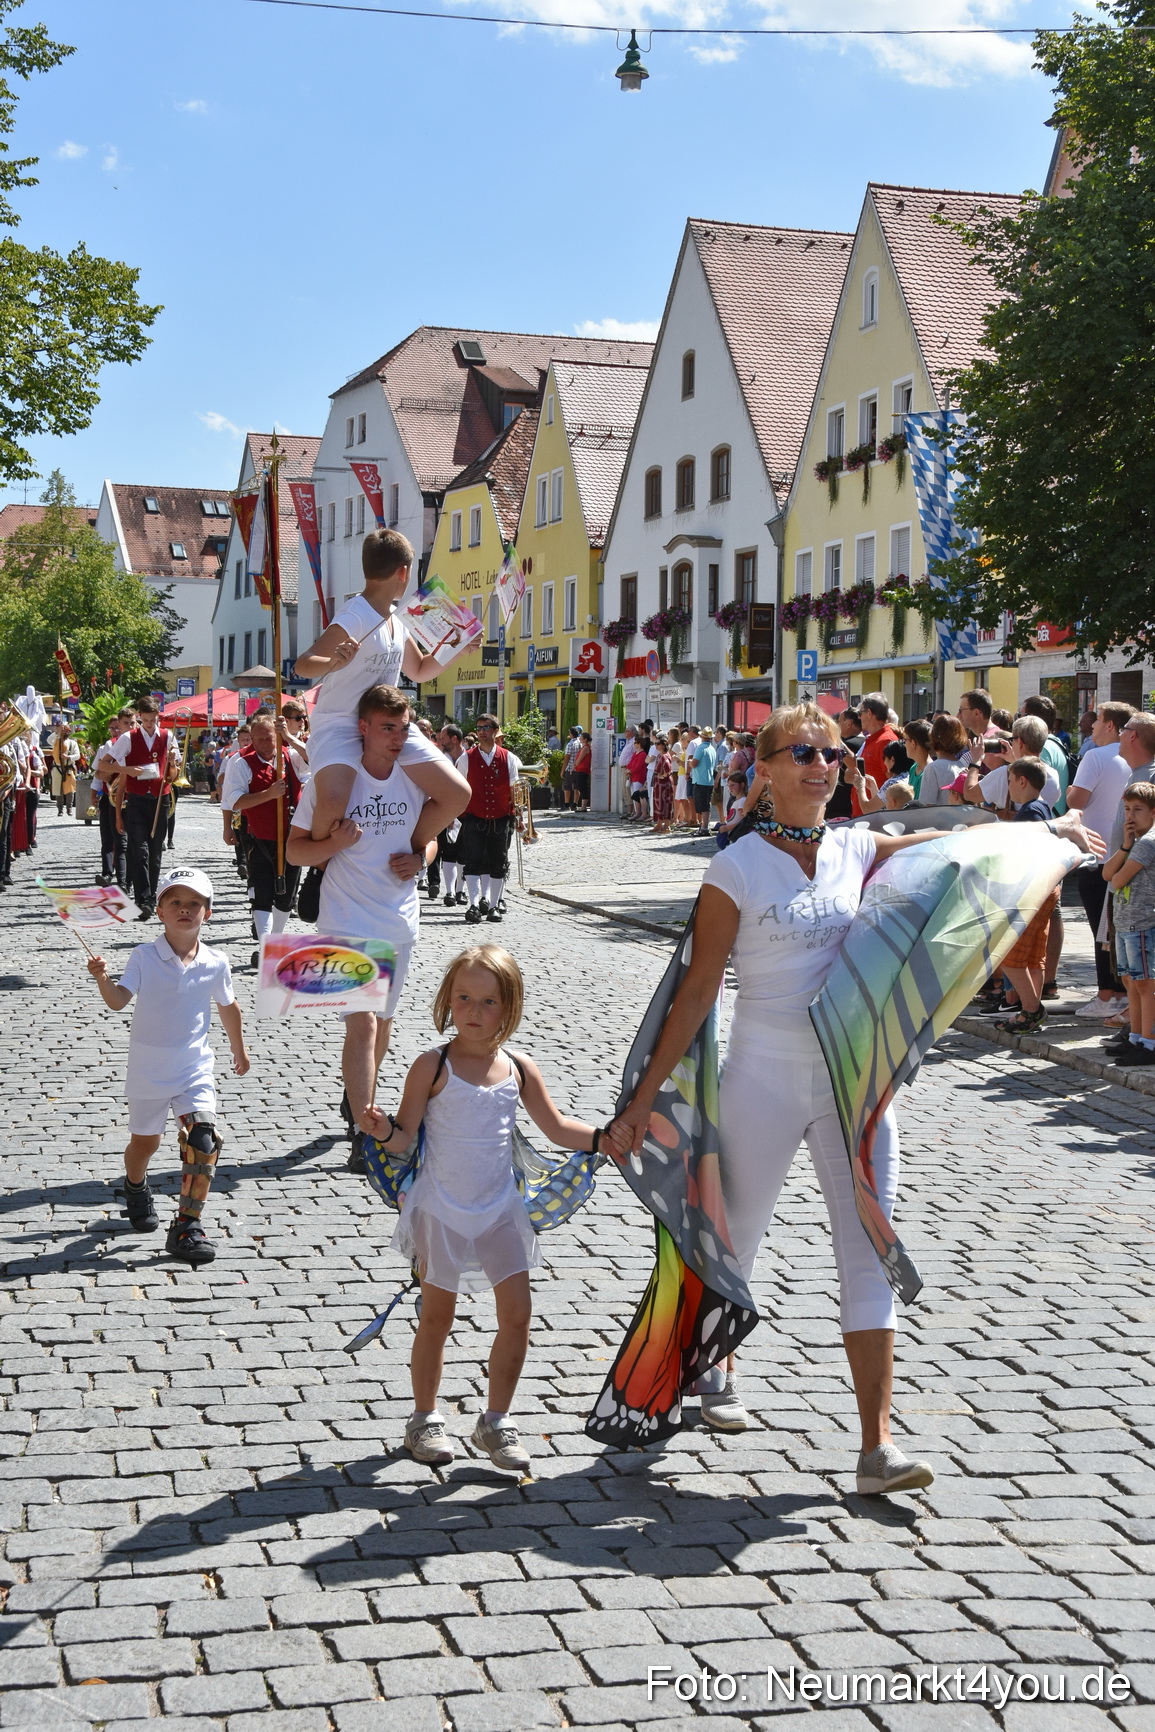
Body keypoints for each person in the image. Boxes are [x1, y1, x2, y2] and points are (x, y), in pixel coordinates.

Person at [609, 701, 1102, 1489]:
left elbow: (951, 844)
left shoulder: (855, 847)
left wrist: (1048, 833)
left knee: (868, 1250)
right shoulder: (734, 867)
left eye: (831, 753)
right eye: (799, 752)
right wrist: (639, 1105)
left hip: (854, 1087)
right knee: (731, 1238)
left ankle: (876, 1448)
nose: (818, 764)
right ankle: (713, 1368)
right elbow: (697, 992)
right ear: (763, 769)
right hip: (759, 1079)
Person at [368, 945, 614, 1470]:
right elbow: (404, 1139)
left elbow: (555, 1127)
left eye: (488, 1001)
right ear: (447, 1002)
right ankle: (424, 1418)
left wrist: (604, 1138)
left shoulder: (519, 1069)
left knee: (518, 1316)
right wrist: (381, 1128)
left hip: (501, 1209)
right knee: (437, 1317)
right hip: (442, 1210)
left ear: (510, 1007)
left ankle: (495, 1421)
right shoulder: (431, 1067)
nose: (474, 1011)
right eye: (463, 999)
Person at [288, 683, 432, 1153]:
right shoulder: (332, 781)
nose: (396, 738)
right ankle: (363, 1130)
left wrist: (422, 858)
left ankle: (356, 1099)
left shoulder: (415, 777)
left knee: (383, 1025)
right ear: (363, 728)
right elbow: (293, 851)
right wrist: (334, 845)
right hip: (347, 914)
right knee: (363, 1023)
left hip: (399, 916)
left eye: (403, 728)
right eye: (387, 728)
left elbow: (432, 836)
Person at [84, 867, 249, 1266]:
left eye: (194, 904)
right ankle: (136, 1186)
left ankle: (187, 1227)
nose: (185, 910)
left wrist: (238, 1050)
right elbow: (118, 1000)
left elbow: (228, 1007)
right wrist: (102, 977)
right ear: (159, 910)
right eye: (175, 902)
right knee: (146, 1145)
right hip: (148, 1069)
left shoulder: (216, 961)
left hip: (194, 1067)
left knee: (204, 1140)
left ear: (207, 913)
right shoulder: (144, 955)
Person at [294, 527, 469, 855]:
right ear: (404, 573)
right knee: (333, 800)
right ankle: (320, 867)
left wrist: (457, 649)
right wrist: (334, 659)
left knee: (457, 793)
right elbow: (303, 664)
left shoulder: (397, 618)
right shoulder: (355, 614)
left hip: (388, 727)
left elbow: (418, 669)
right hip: (340, 728)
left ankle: (408, 850)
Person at [1068, 701, 1135, 1020]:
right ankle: (1124, 992)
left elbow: (1076, 801)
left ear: (1111, 726)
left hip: (1097, 854)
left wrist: (1070, 792)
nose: (1092, 726)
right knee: (1122, 927)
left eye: (1098, 721)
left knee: (1101, 928)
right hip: (1127, 853)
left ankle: (1108, 995)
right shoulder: (1135, 760)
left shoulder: (1095, 756)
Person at [222, 709, 302, 967]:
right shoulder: (240, 762)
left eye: (270, 738)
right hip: (259, 838)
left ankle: (275, 942)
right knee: (262, 893)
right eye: (260, 740)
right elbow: (233, 799)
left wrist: (289, 737)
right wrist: (268, 794)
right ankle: (265, 946)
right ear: (251, 740)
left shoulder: (291, 756)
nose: (266, 744)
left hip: (293, 838)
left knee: (287, 894)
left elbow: (317, 763)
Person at [990, 759, 1059, 1035]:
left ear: (1022, 781)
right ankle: (1031, 1011)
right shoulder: (1042, 807)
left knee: (1008, 952)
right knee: (1033, 955)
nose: (1008, 787)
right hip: (1046, 887)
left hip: (1032, 889)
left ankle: (1031, 1010)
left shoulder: (1031, 812)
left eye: (1009, 780)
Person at [109, 698, 180, 920]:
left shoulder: (168, 737)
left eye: (153, 720)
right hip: (137, 800)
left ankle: (153, 897)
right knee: (139, 850)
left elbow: (173, 776)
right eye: (146, 720)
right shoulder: (129, 738)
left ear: (158, 717)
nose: (149, 724)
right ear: (139, 717)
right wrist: (128, 770)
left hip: (160, 798)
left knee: (156, 852)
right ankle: (144, 899)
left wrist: (171, 763)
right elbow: (103, 764)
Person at [1103, 782, 1155, 1068]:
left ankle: (1149, 1041)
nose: (1130, 816)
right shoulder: (1136, 842)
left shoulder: (1147, 843)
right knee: (1131, 982)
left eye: (1138, 809)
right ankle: (1136, 1037)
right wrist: (1125, 845)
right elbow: (1108, 872)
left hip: (1142, 923)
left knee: (1146, 985)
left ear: (1153, 812)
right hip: (1127, 924)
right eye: (1126, 809)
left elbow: (1117, 879)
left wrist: (1130, 848)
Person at [458, 715, 517, 924]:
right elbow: (459, 787)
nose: (482, 731)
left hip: (501, 818)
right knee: (472, 861)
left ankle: (493, 906)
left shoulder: (508, 757)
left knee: (498, 863)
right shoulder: (466, 757)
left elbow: (514, 789)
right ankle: (473, 905)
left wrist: (519, 819)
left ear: (495, 730)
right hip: (474, 816)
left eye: (486, 727)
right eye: (479, 728)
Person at [433, 723, 468, 907]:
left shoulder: (469, 758)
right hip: (447, 810)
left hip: (467, 812)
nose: (440, 742)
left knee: (463, 854)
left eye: (443, 738)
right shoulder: (441, 758)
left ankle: (461, 891)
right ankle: (450, 892)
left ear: (454, 739)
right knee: (447, 852)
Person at [92, 714, 129, 888]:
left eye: (117, 727)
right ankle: (107, 873)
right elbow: (98, 774)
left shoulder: (130, 743)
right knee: (107, 838)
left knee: (122, 840)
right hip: (109, 796)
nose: (115, 731)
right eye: (112, 728)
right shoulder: (106, 746)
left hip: (128, 798)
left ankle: (124, 878)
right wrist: (94, 793)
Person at [917, 714, 970, 807]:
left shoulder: (932, 768)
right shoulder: (962, 765)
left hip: (939, 820)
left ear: (934, 736)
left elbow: (926, 806)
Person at [688, 725, 717, 837]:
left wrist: (690, 761)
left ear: (701, 736)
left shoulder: (700, 748)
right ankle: (704, 826)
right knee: (706, 805)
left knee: (703, 806)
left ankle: (704, 827)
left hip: (700, 780)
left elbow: (694, 763)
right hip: (708, 780)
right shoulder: (712, 748)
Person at [50, 721, 81, 817]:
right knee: (58, 789)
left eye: (67, 730)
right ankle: (60, 809)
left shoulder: (72, 743)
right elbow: (48, 740)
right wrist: (57, 731)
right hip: (57, 767)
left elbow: (77, 755)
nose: (65, 732)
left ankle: (69, 808)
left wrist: (68, 757)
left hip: (68, 768)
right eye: (64, 730)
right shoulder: (56, 740)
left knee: (70, 790)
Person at [650, 734, 674, 835]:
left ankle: (667, 825)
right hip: (659, 784)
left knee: (665, 804)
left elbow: (668, 769)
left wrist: (663, 776)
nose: (656, 745)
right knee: (658, 804)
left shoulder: (665, 756)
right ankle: (659, 824)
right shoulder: (660, 755)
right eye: (655, 743)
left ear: (664, 745)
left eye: (658, 744)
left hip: (665, 784)